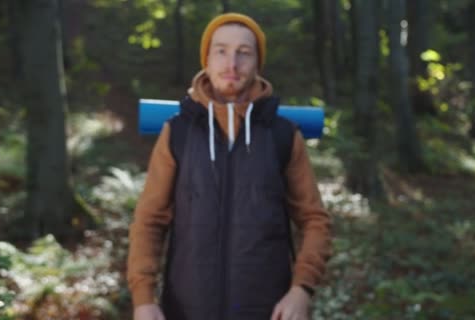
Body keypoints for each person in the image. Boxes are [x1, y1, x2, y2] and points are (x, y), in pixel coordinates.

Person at [127, 12, 332, 320]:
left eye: (244, 53)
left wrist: (301, 289)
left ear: (257, 64)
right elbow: (148, 220)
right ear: (206, 60)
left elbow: (315, 220)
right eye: (221, 51)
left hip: (267, 311)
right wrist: (144, 298)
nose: (232, 64)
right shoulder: (178, 132)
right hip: (186, 310)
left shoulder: (282, 135)